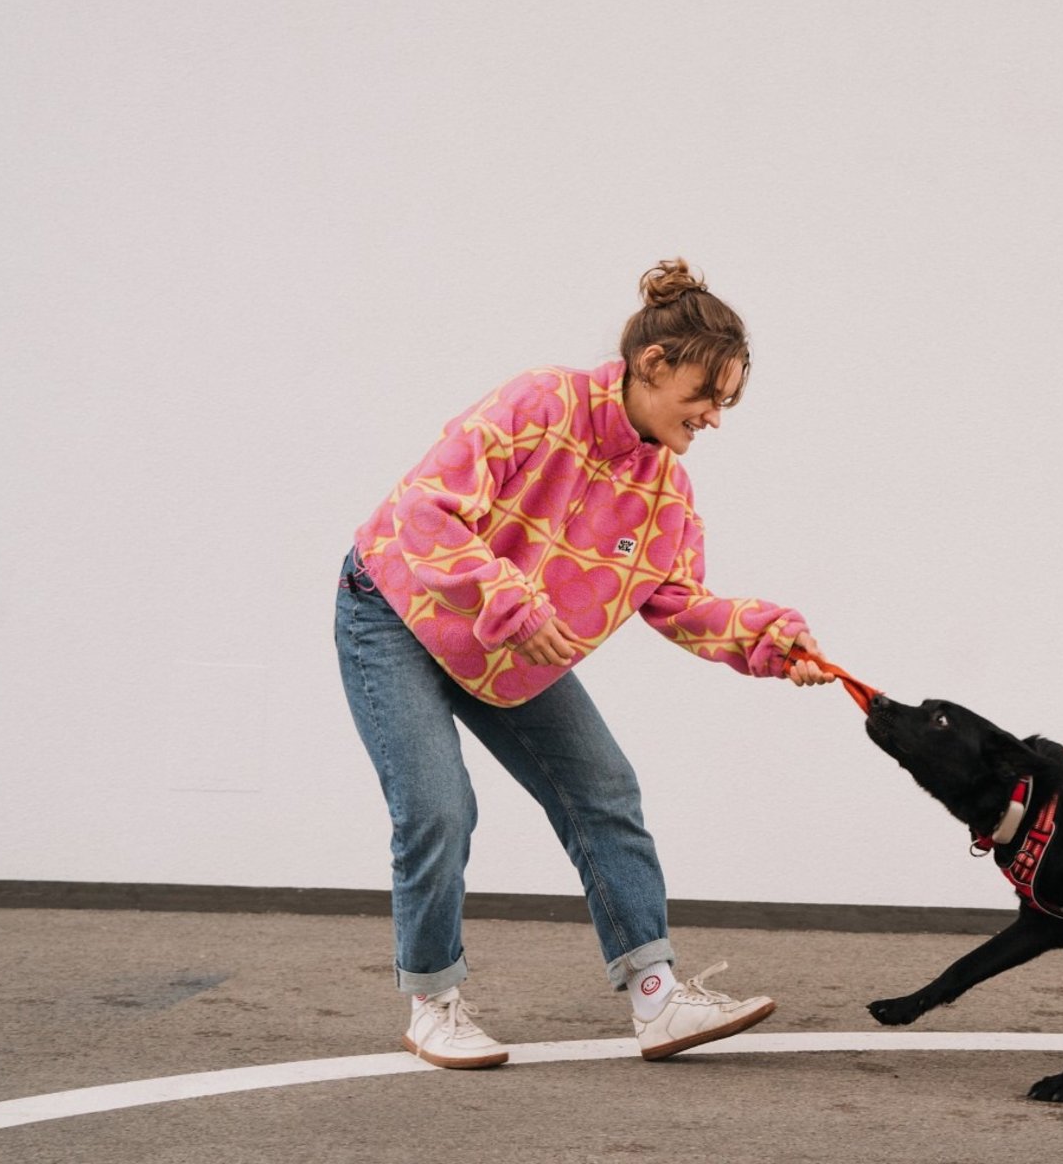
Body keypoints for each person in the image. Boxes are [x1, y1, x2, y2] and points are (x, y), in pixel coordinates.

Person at [334, 258, 836, 1069]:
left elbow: (679, 603)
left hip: (510, 648)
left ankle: (657, 997)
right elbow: (423, 511)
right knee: (437, 807)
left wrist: (775, 642)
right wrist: (512, 602)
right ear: (653, 366)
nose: (714, 417)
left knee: (605, 791)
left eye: (728, 401)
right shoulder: (540, 402)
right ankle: (434, 1003)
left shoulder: (667, 494)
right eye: (706, 396)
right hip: (392, 609)